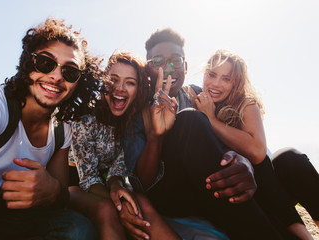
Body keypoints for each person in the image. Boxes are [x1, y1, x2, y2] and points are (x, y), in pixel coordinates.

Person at [121, 28, 283, 240]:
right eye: (158, 61)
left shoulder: (198, 95)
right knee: (190, 120)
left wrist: (240, 160)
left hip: (203, 189)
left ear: (186, 67)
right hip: (165, 198)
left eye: (176, 61)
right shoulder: (135, 107)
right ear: (147, 69)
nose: (167, 69)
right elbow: (142, 183)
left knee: (254, 163)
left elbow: (226, 139)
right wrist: (157, 135)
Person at [0, 18, 99, 240]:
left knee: (77, 228)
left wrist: (52, 190)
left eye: (70, 72)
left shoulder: (62, 129)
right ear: (27, 63)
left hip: (8, 216)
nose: (57, 76)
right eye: (45, 63)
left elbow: (58, 195)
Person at [193, 49, 313, 239]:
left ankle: (304, 235)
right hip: (237, 194)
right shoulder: (196, 101)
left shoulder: (245, 104)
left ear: (236, 83)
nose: (215, 83)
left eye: (226, 78)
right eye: (212, 75)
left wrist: (212, 120)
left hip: (270, 187)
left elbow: (257, 151)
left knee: (286, 158)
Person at [68, 51, 182, 240]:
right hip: (75, 188)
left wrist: (116, 186)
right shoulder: (86, 119)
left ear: (138, 90)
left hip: (109, 184)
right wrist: (119, 202)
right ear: (104, 82)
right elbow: (88, 179)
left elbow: (118, 170)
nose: (120, 88)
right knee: (109, 209)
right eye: (113, 79)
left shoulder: (132, 121)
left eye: (130, 82)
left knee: (140, 203)